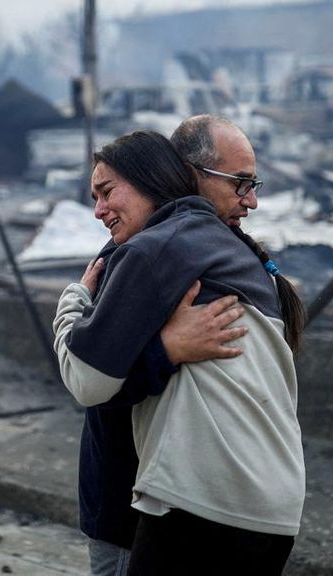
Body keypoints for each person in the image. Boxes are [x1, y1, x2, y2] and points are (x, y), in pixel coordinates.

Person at [53, 130, 306, 574]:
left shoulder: (151, 251)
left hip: (191, 502)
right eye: (240, 183)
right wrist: (167, 349)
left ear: (161, 176)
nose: (250, 200)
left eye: (107, 192)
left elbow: (89, 381)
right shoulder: (234, 261)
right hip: (276, 504)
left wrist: (73, 300)